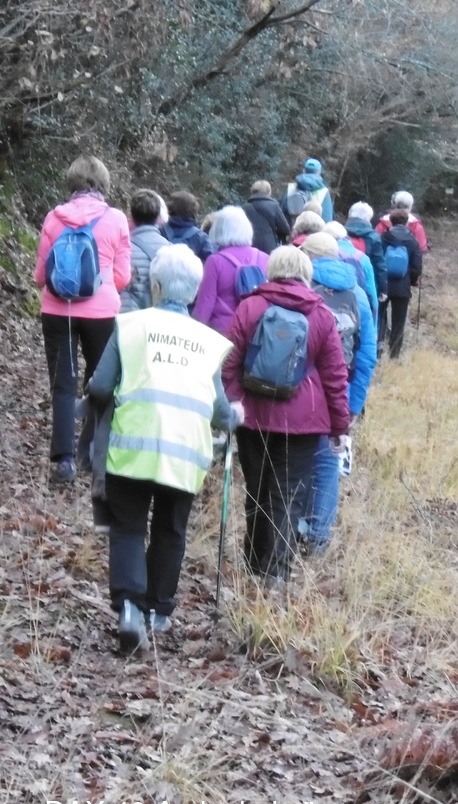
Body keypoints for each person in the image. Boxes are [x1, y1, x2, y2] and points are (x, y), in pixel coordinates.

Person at [86, 244, 242, 653]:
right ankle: (158, 612)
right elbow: (221, 412)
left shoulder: (130, 326)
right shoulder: (208, 342)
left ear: (155, 285)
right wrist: (236, 416)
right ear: (194, 291)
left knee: (128, 527)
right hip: (185, 454)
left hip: (131, 446)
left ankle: (129, 610)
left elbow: (100, 386)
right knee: (171, 530)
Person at [222, 247, 351, 586]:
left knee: (257, 490)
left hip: (252, 416)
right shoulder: (321, 314)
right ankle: (275, 572)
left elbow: (229, 363)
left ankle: (253, 563)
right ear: (306, 274)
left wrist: (228, 405)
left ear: (272, 270)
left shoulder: (250, 306)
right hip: (304, 422)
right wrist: (340, 426)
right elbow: (335, 376)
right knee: (288, 495)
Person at [33, 154, 131, 485]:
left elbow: (40, 277)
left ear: (71, 182)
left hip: (57, 310)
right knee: (100, 382)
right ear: (103, 183)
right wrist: (99, 280)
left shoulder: (53, 218)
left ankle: (63, 462)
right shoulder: (116, 219)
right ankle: (91, 453)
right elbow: (123, 276)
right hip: (102, 313)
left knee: (63, 385)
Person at [296, 233, 378, 553]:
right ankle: (318, 539)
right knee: (327, 461)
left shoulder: (301, 286)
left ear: (308, 256)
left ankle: (291, 527)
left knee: (294, 457)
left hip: (299, 385)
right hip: (338, 387)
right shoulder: (357, 294)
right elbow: (367, 353)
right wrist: (354, 403)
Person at [192, 205, 270, 334]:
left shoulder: (215, 261)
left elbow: (205, 305)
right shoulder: (265, 258)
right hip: (255, 332)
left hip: (223, 333)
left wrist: (194, 334)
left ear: (219, 229)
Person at [379, 209, 423, 359]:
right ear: (406, 222)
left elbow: (377, 261)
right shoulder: (412, 241)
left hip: (383, 285)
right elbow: (417, 267)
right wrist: (411, 281)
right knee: (399, 322)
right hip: (402, 288)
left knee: (380, 317)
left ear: (391, 221)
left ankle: (378, 349)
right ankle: (394, 355)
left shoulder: (383, 238)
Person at [124, 189, 170, 313]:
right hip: (159, 317)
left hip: (130, 316)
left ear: (131, 215)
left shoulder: (124, 248)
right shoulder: (170, 250)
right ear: (158, 216)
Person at [325, 220, 378, 323]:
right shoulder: (363, 258)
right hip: (359, 309)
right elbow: (372, 295)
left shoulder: (326, 256)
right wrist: (374, 324)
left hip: (333, 313)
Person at [345, 202, 387, 302]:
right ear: (368, 218)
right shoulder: (374, 237)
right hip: (366, 283)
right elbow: (379, 264)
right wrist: (383, 289)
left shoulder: (340, 232)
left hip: (343, 280)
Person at [160, 191, 216, 263]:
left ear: (169, 208)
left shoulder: (159, 230)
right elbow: (209, 264)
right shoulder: (201, 237)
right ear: (194, 211)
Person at [242, 180, 291, 253]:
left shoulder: (244, 207)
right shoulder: (273, 206)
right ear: (269, 192)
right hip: (268, 247)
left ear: (252, 191)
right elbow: (285, 229)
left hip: (249, 246)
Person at [282, 158, 334, 222]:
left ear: (304, 170)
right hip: (314, 227)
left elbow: (281, 213)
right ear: (319, 172)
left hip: (291, 227)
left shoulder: (291, 188)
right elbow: (327, 219)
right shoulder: (324, 192)